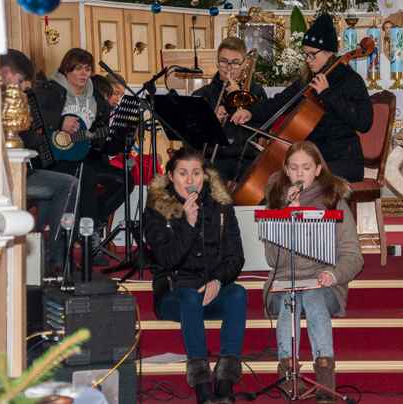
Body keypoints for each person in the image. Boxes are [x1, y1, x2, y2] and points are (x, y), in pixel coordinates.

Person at [143, 148, 246, 404]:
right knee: (189, 297)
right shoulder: (156, 209)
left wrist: (218, 281)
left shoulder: (221, 206)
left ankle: (225, 379)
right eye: (183, 173)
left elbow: (235, 256)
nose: (190, 180)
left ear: (205, 176)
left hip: (210, 292)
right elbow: (167, 259)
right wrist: (188, 224)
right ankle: (202, 383)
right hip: (174, 294)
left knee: (237, 293)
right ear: (170, 176)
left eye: (196, 173)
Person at [262, 141, 363, 402]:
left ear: (318, 170)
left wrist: (333, 274)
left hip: (325, 286)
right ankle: (289, 374)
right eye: (294, 167)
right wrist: (289, 217)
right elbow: (273, 259)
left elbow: (353, 256)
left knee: (313, 294)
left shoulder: (334, 202)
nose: (299, 173)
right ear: (286, 170)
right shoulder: (275, 203)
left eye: (306, 168)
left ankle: (325, 378)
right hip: (284, 283)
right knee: (291, 296)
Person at [231, 14, 373, 182]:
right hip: (313, 160)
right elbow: (278, 103)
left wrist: (328, 95)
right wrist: (250, 111)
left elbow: (364, 122)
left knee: (303, 178)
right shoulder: (308, 80)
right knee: (277, 178)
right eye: (306, 54)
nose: (308, 60)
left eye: (312, 54)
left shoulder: (350, 80)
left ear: (329, 52)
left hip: (344, 161)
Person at [31, 48, 134, 266]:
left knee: (125, 180)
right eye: (78, 68)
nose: (83, 73)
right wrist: (60, 122)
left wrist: (117, 137)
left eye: (87, 69)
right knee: (85, 174)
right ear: (66, 69)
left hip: (81, 157)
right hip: (50, 159)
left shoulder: (96, 99)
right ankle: (89, 243)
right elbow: (28, 112)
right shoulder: (52, 90)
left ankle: (90, 225)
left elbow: (98, 142)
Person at [1, 49, 79, 272]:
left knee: (68, 184)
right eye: (21, 80)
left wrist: (35, 135)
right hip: (1, 177)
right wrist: (32, 136)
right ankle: (48, 258)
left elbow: (29, 137)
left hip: (20, 171)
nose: (24, 87)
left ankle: (54, 259)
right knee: (65, 185)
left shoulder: (17, 100)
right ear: (5, 73)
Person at [192, 36, 267, 183]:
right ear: (217, 61)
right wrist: (213, 121)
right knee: (211, 183)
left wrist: (240, 99)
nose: (228, 67)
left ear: (244, 64)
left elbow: (263, 127)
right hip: (214, 158)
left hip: (247, 157)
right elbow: (192, 138)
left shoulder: (256, 92)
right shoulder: (202, 94)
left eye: (235, 63)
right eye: (224, 61)